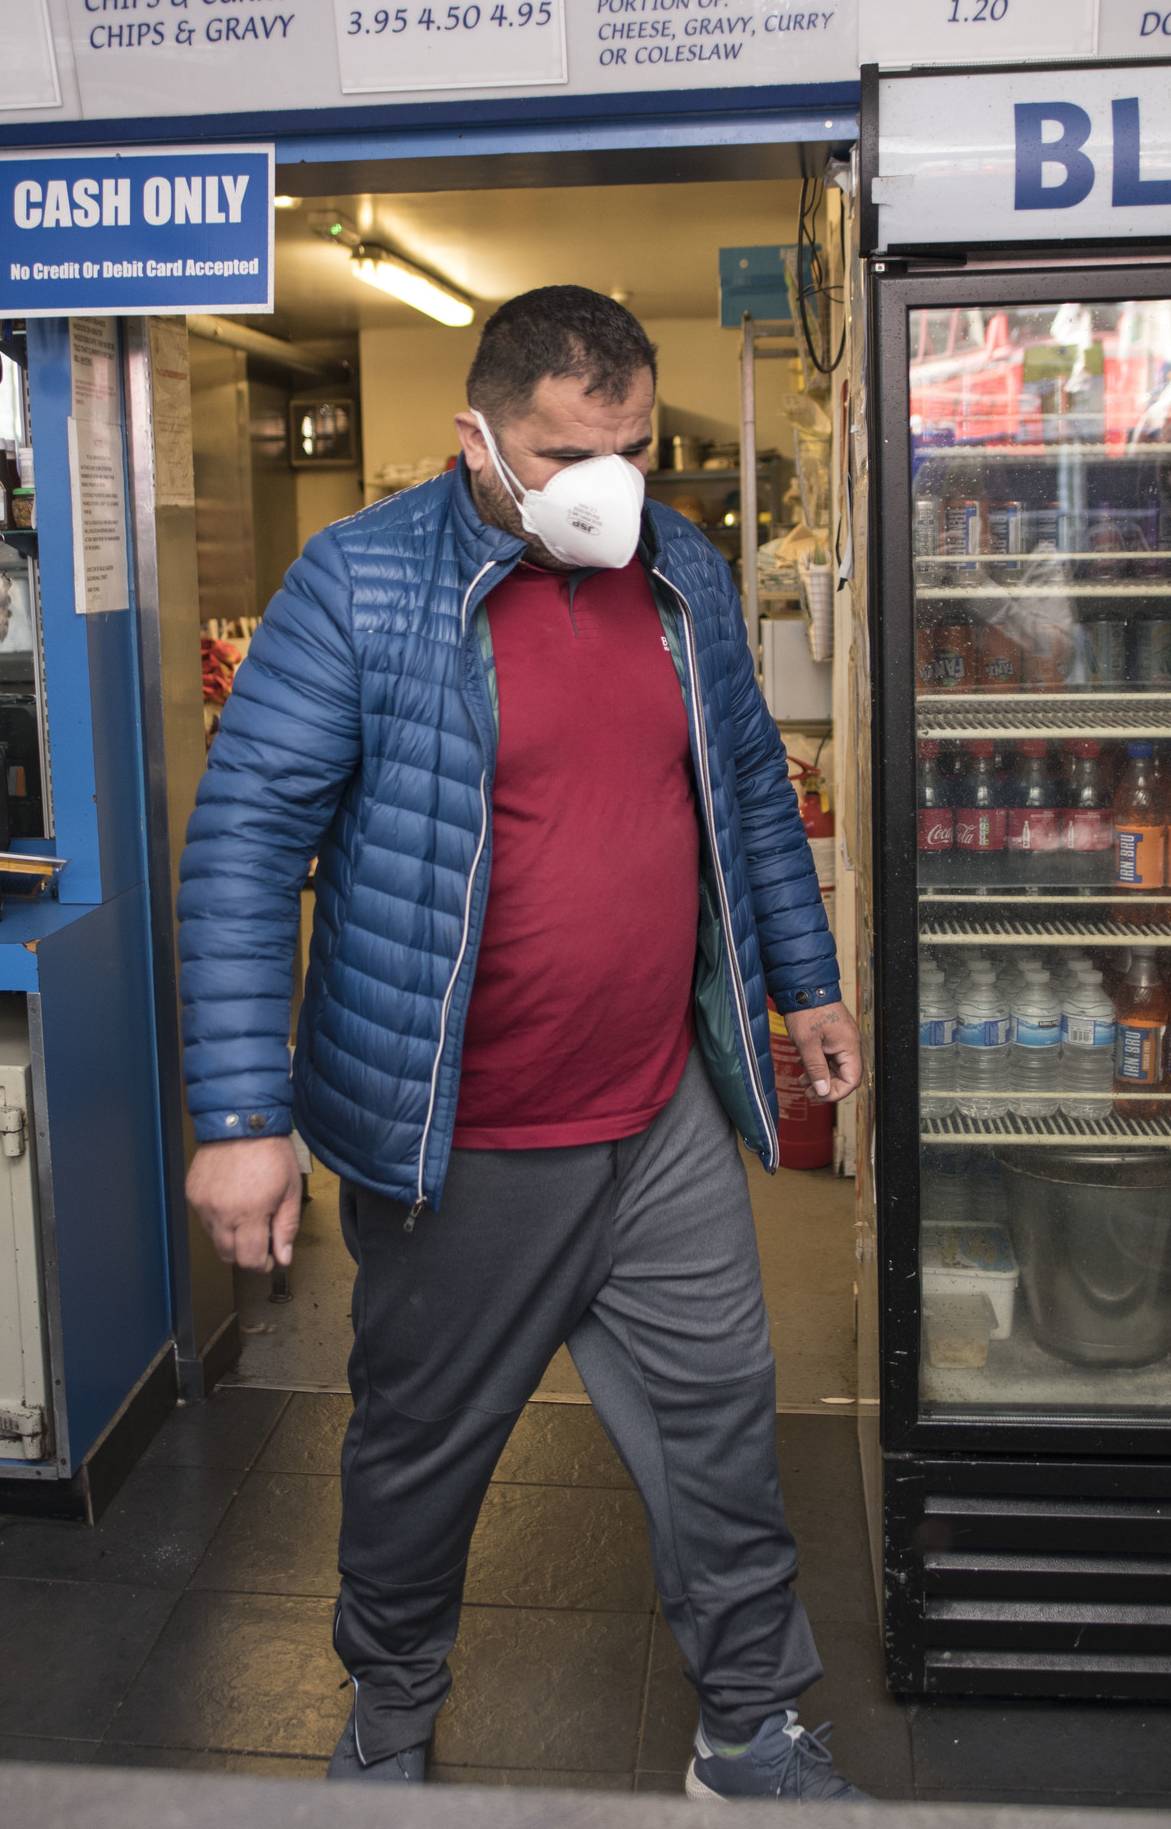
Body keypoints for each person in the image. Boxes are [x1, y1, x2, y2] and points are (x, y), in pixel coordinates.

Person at [177, 284, 867, 1799]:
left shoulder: (679, 566)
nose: (607, 485)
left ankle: (749, 1729)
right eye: (568, 454)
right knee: (423, 1458)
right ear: (475, 440)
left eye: (632, 445)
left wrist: (804, 980)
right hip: (466, 1134)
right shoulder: (360, 586)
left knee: (722, 1438)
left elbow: (746, 790)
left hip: (659, 1113)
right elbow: (241, 845)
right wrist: (239, 1115)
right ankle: (394, 1718)